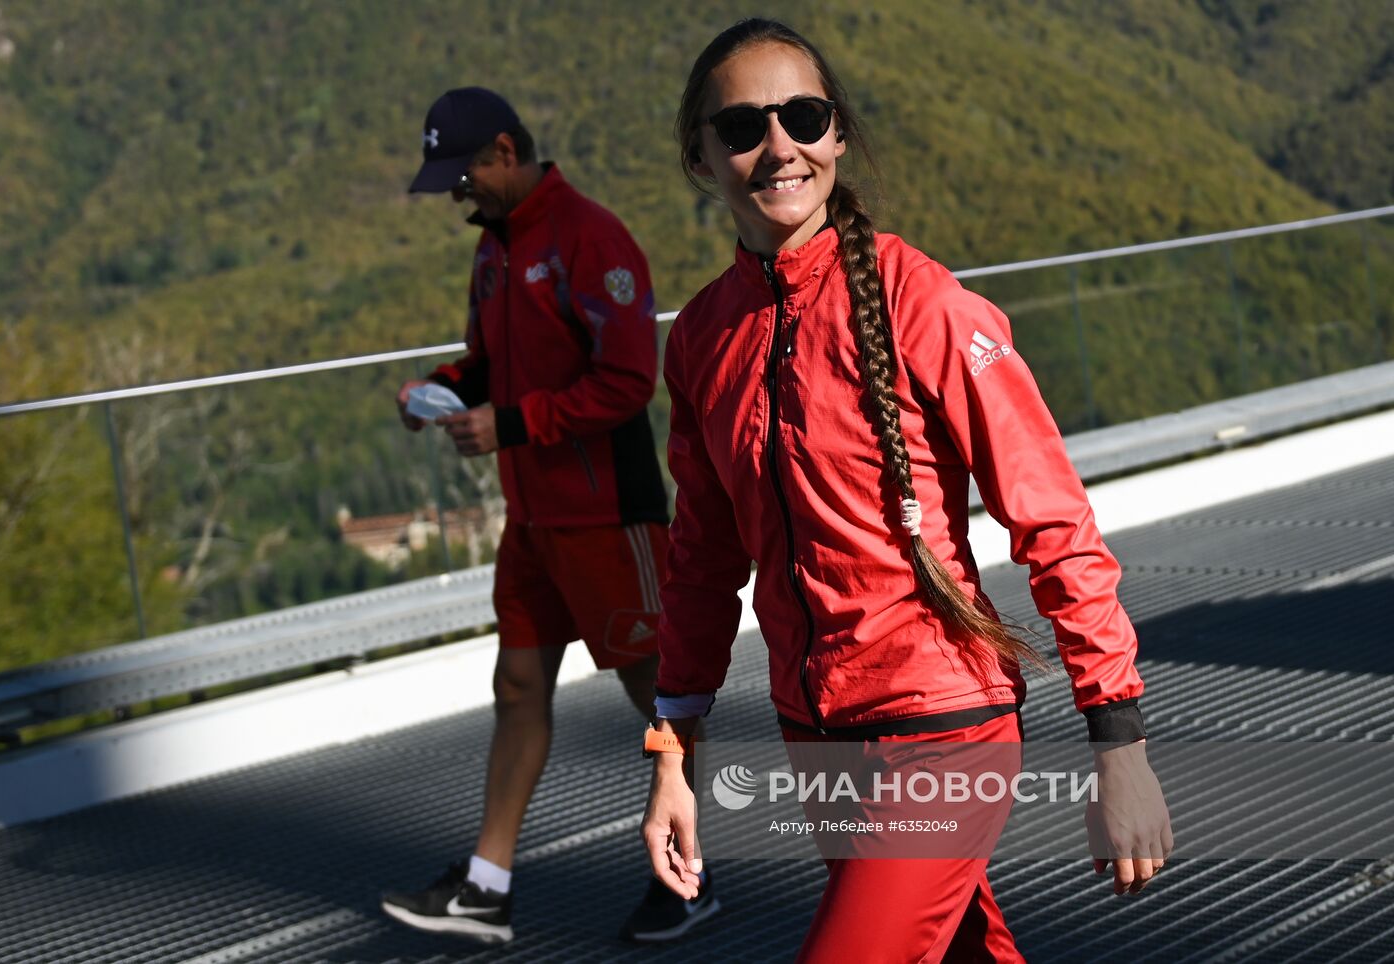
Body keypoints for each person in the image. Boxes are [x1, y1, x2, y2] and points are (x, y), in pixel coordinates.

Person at [640, 19, 1173, 963]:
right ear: (701, 156)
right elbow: (701, 562)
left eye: (803, 116)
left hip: (945, 727)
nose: (779, 147)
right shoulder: (702, 341)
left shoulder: (926, 303)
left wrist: (1118, 744)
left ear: (837, 134)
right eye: (742, 128)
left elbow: (1051, 521)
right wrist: (673, 756)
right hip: (817, 736)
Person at [381, 86, 719, 945]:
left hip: (611, 517)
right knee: (517, 687)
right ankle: (487, 887)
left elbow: (624, 382)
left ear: (504, 150)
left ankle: (685, 879)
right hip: (532, 519)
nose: (459, 195)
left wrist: (511, 423)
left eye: (463, 177)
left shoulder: (589, 237)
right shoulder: (494, 253)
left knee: (661, 698)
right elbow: (493, 364)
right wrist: (444, 389)